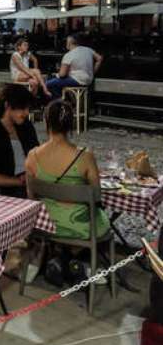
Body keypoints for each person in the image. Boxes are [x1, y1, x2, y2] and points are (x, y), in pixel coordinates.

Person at [25, 100, 109, 240]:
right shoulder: (85, 157)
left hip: (46, 223)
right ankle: (71, 254)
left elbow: (31, 197)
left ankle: (62, 255)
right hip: (79, 226)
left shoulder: (33, 156)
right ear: (71, 125)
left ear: (46, 122)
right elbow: (96, 196)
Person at [0, 84, 39, 197]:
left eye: (28, 108)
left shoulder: (26, 126)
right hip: (9, 190)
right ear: (7, 106)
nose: (26, 113)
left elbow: (36, 153)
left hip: (32, 182)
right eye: (22, 108)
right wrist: (19, 181)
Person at [46, 34, 103, 99]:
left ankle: (61, 102)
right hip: (89, 80)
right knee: (58, 82)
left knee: (48, 84)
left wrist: (57, 74)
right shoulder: (88, 49)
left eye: (66, 42)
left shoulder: (69, 55)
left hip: (77, 80)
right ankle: (69, 101)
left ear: (69, 43)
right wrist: (93, 72)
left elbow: (62, 74)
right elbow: (99, 58)